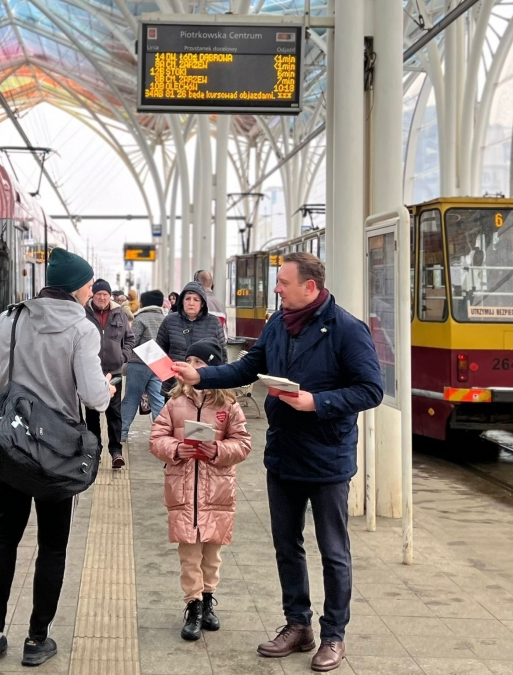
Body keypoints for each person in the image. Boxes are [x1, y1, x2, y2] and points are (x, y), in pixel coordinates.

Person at [172, 252, 383, 673]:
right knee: (287, 546)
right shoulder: (278, 324)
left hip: (327, 457)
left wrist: (317, 402)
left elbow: (370, 389)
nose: (277, 288)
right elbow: (250, 367)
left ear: (310, 287)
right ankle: (297, 625)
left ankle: (333, 635)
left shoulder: (347, 329)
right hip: (284, 453)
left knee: (333, 551)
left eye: (284, 282)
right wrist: (202, 376)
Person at [0, 248, 115, 668]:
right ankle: (36, 640)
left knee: (4, 536)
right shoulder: (82, 328)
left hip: (12, 446)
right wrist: (107, 388)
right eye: (88, 283)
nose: (91, 289)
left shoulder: (11, 318)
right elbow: (94, 398)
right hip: (57, 452)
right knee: (52, 546)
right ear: (76, 287)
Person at [149, 339, 251, 642]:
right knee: (189, 555)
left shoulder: (228, 405)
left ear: (214, 369)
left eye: (200, 362)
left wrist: (217, 450)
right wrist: (176, 448)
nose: (192, 367)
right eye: (189, 361)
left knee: (212, 555)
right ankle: (193, 605)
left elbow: (243, 443)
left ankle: (208, 601)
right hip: (182, 492)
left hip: (217, 493)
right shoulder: (174, 402)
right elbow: (156, 438)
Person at [86, 279, 135, 468]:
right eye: (98, 294)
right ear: (93, 295)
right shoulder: (84, 313)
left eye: (105, 294)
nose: (102, 297)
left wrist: (123, 356)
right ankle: (94, 452)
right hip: (91, 372)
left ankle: (116, 452)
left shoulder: (119, 313)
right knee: (92, 413)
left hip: (114, 372)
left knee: (114, 413)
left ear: (109, 296)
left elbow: (130, 338)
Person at [155, 281, 226, 397]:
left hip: (204, 386)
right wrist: (168, 374)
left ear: (202, 303)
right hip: (174, 386)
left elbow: (222, 356)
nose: (191, 303)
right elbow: (159, 351)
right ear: (182, 301)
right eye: (187, 299)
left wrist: (220, 383)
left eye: (196, 300)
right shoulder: (169, 321)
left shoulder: (214, 322)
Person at [121, 290, 167, 441]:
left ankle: (122, 432)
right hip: (159, 363)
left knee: (131, 398)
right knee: (158, 400)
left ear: (144, 303)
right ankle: (161, 434)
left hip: (139, 364)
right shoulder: (166, 319)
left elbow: (132, 341)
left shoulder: (140, 318)